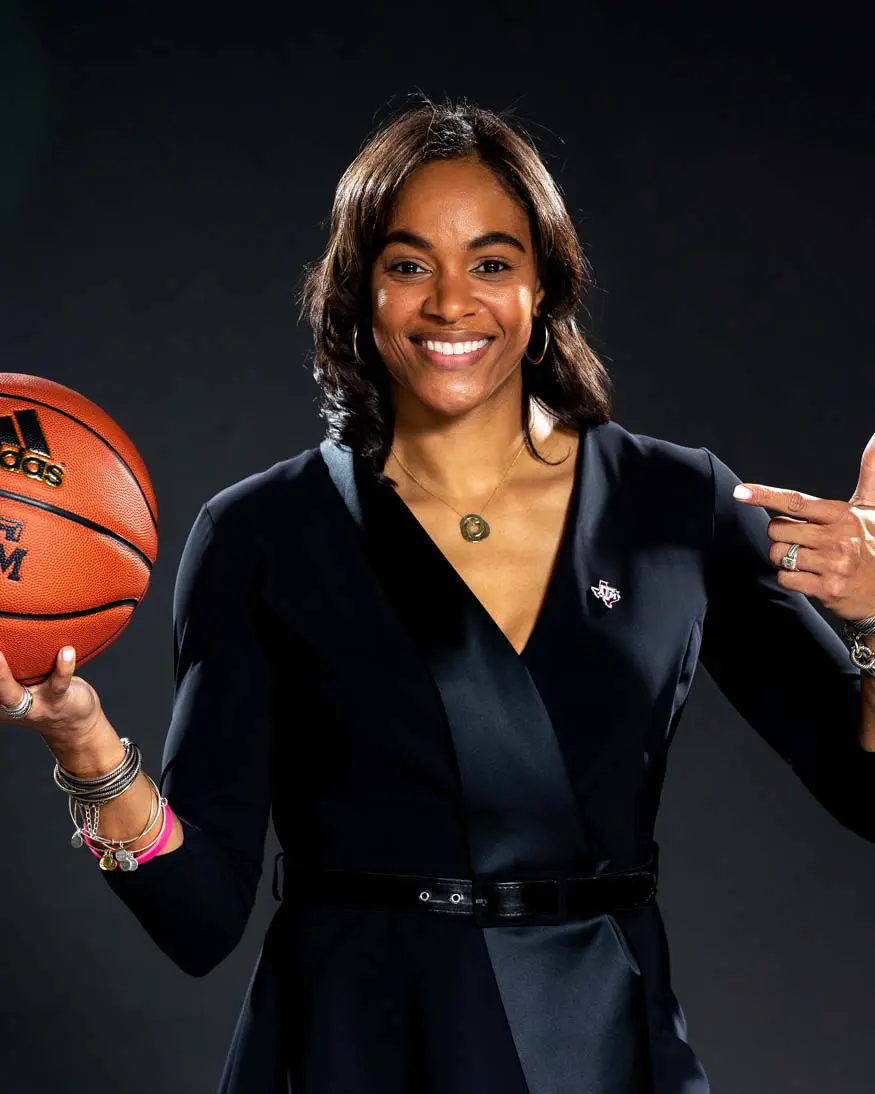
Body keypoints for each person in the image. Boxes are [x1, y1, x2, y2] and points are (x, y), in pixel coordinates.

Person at [3, 99, 875, 1094]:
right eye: (408, 263)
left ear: (542, 286)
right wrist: (82, 742)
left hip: (595, 1047)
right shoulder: (260, 532)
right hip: (342, 1043)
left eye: (491, 263)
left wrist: (874, 619)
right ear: (357, 289)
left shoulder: (679, 505)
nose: (449, 302)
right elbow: (200, 918)